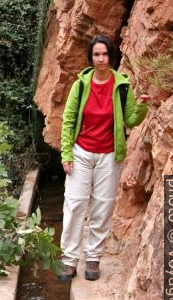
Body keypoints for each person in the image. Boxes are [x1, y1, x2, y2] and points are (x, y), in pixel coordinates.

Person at [58, 35, 150, 282]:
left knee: (103, 205)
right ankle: (68, 260)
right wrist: (66, 154)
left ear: (111, 56)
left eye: (105, 54)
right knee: (75, 204)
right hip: (81, 153)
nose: (101, 59)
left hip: (109, 155)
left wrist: (141, 107)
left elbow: (130, 119)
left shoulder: (122, 86)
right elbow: (68, 121)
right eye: (96, 54)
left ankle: (93, 259)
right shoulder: (80, 85)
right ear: (91, 58)